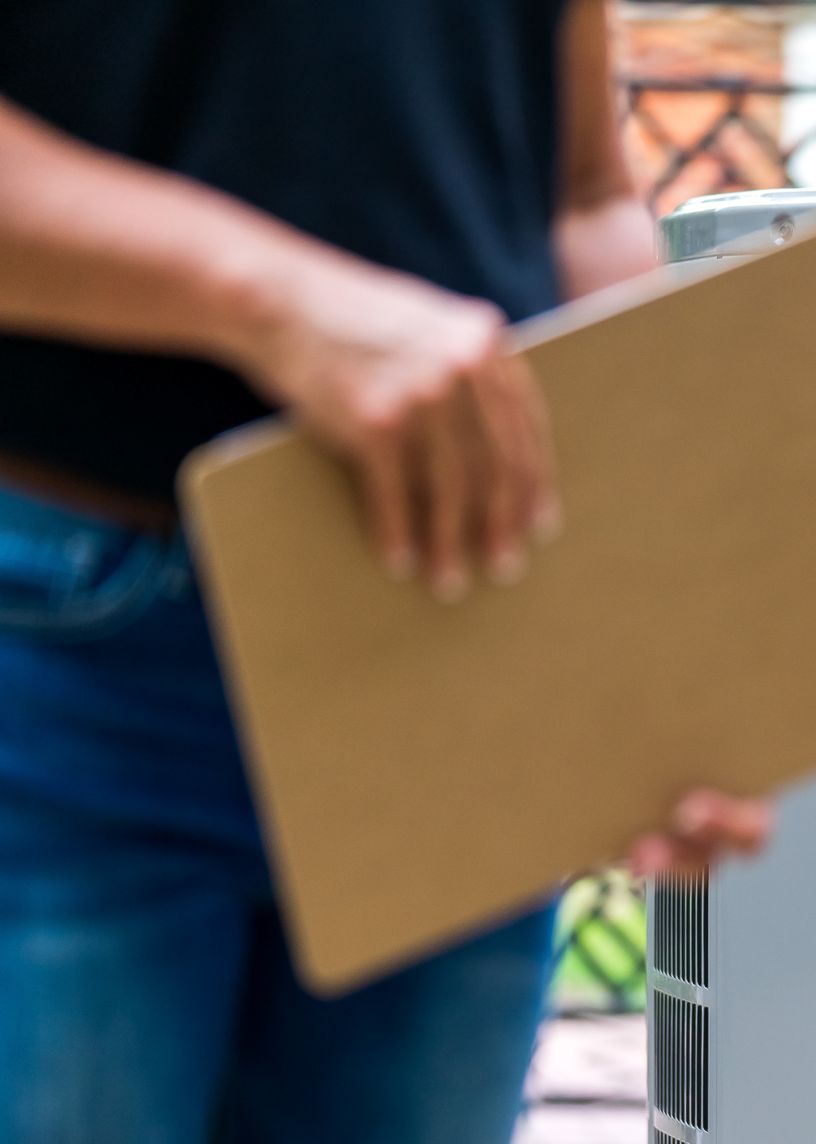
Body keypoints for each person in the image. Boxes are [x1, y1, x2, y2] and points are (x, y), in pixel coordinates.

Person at [0, 1, 772, 1140]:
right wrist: (271, 299)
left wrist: (650, 610)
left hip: (450, 632)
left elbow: (581, 197)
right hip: (66, 643)